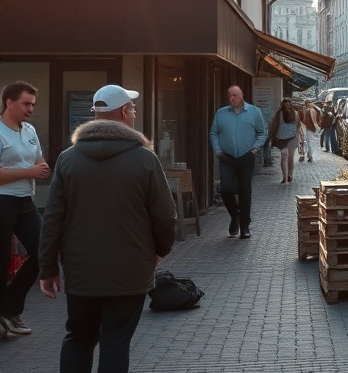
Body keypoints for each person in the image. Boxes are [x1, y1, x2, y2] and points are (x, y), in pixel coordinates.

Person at [38, 84, 177, 373]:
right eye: (133, 108)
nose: (135, 112)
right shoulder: (145, 159)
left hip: (81, 269)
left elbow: (53, 218)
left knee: (79, 337)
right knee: (115, 341)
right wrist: (160, 250)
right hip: (131, 268)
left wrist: (48, 267)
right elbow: (164, 216)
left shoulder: (68, 159)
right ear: (124, 112)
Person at [0, 81, 49, 339]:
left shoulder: (29, 129)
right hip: (2, 200)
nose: (30, 109)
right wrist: (30, 172)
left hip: (25, 201)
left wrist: (41, 167)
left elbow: (38, 158)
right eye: (26, 104)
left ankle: (9, 309)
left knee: (43, 251)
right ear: (9, 102)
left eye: (33, 104)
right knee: (2, 260)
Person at [210, 85, 266, 239]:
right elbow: (214, 132)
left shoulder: (254, 112)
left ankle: (244, 225)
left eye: (234, 95)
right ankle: (235, 214)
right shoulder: (221, 113)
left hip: (246, 156)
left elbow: (262, 133)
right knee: (226, 189)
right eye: (229, 96)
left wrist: (255, 148)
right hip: (226, 157)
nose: (231, 98)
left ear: (242, 95)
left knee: (245, 191)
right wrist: (217, 149)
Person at [266, 100, 299, 184]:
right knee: (291, 158)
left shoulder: (279, 113)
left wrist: (271, 136)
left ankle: (285, 177)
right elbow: (298, 125)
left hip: (281, 138)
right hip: (293, 137)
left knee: (284, 157)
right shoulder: (295, 113)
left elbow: (273, 125)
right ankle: (290, 175)